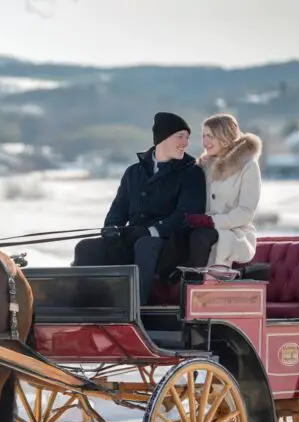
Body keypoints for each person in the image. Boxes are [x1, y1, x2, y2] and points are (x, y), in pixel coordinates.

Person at [75, 112, 207, 304]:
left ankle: (137, 311)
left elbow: (187, 213)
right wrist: (111, 228)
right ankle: (85, 306)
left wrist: (152, 231)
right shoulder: (133, 172)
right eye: (180, 136)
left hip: (170, 243)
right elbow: (119, 208)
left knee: (145, 245)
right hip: (133, 236)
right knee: (86, 248)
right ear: (163, 137)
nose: (186, 143)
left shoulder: (190, 172)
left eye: (187, 137)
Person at [185, 113, 263, 272]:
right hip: (203, 232)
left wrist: (211, 221)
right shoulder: (203, 166)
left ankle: (197, 286)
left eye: (211, 136)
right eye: (203, 136)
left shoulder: (248, 167)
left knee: (201, 238)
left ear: (225, 136)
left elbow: (245, 212)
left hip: (235, 233)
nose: (205, 142)